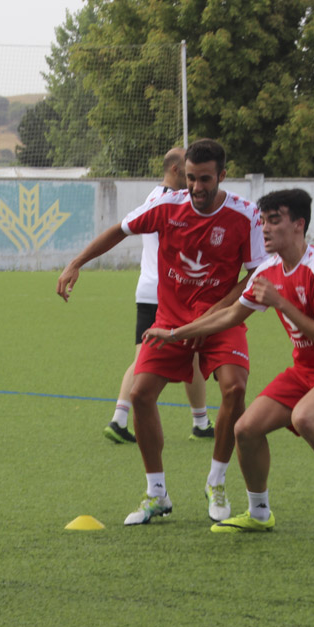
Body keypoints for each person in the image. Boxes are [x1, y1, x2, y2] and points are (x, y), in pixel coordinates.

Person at [144, 188, 314, 545]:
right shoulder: (268, 270)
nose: (265, 229)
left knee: (305, 417)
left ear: (298, 225)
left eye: (274, 220)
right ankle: (259, 513)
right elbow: (230, 316)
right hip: (307, 370)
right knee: (246, 429)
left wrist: (280, 303)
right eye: (263, 221)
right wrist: (176, 334)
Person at [58, 139, 266, 525]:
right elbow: (119, 230)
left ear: (222, 175)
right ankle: (156, 493)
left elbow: (256, 277)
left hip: (220, 320)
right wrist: (76, 262)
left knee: (235, 389)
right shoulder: (166, 206)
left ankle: (216, 481)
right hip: (169, 319)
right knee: (139, 394)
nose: (197, 188)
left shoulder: (246, 215)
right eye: (191, 179)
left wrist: (216, 313)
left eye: (205, 179)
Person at [103, 146, 214, 446]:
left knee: (187, 353)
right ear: (176, 171)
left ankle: (200, 421)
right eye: (188, 173)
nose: (193, 183)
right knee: (150, 358)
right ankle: (122, 418)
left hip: (149, 287)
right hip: (164, 292)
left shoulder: (155, 198)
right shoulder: (169, 202)